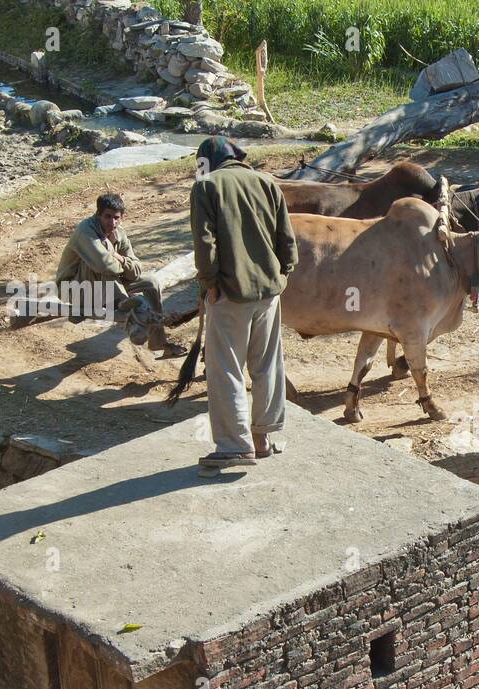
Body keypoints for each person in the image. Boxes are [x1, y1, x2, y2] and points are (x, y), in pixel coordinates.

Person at [188, 136, 297, 470]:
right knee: (267, 365)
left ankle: (235, 446)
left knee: (226, 370)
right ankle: (263, 438)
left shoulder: (206, 187)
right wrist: (283, 275)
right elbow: (287, 238)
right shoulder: (266, 182)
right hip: (268, 291)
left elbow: (204, 242)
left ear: (207, 162)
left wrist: (209, 286)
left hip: (229, 293)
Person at [32, 193, 185, 357]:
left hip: (104, 285)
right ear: (98, 215)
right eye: (107, 217)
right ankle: (127, 308)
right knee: (101, 265)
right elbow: (104, 265)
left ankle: (158, 342)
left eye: (116, 218)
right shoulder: (86, 230)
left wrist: (118, 257)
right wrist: (118, 260)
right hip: (74, 289)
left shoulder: (119, 233)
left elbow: (136, 270)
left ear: (122, 217)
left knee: (151, 282)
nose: (112, 222)